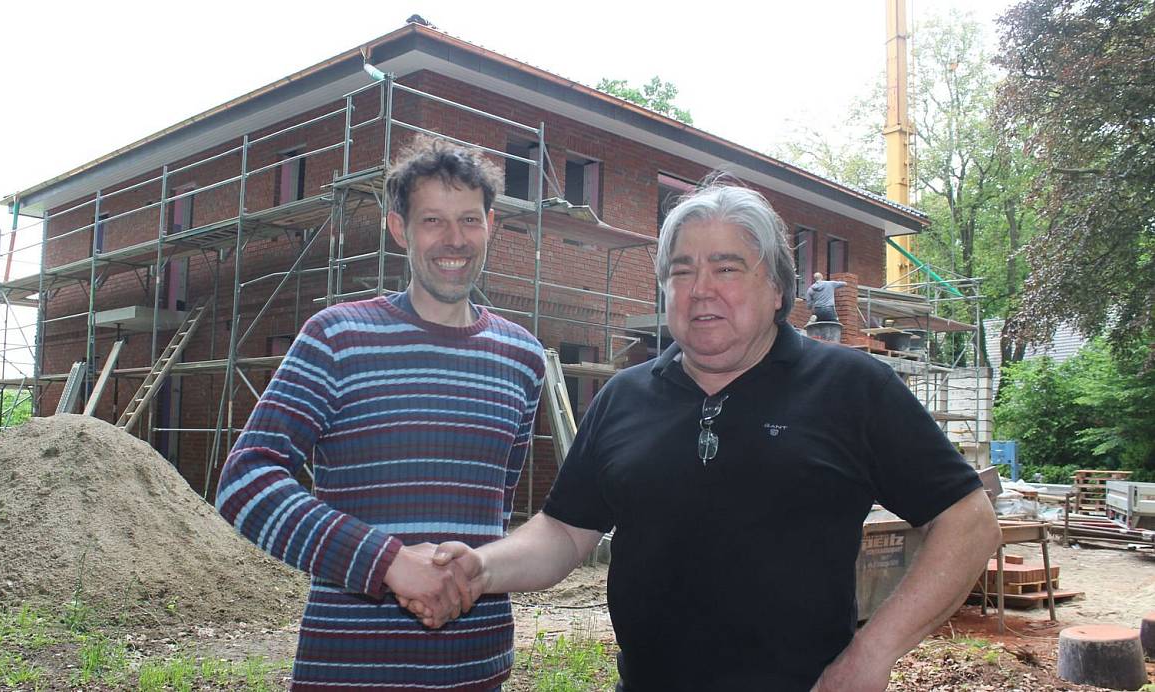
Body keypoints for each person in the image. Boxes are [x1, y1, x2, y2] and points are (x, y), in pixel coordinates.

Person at [415, 184, 1001, 691]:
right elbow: (566, 532)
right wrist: (482, 568)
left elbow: (969, 520)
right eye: (681, 271)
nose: (700, 289)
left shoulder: (850, 387)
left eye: (726, 267)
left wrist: (872, 656)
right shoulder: (625, 397)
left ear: (777, 289)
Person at [216, 136, 545, 690]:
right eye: (433, 221)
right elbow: (245, 480)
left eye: (469, 219)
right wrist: (388, 562)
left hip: (477, 668)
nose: (454, 240)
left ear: (491, 224)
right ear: (400, 229)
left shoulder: (523, 359)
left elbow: (494, 512)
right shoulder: (338, 337)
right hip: (350, 667)